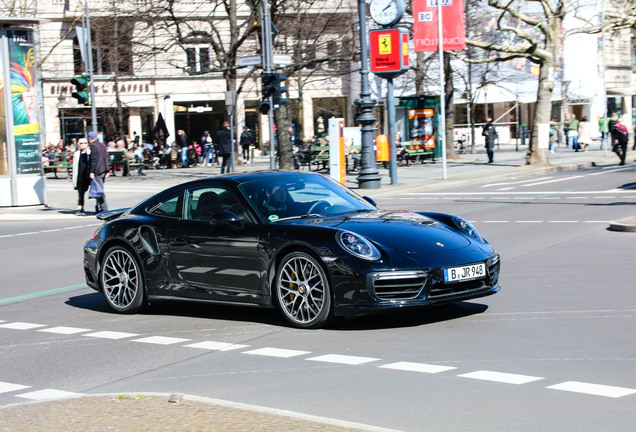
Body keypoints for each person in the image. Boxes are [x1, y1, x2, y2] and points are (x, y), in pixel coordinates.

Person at [88, 131, 110, 213]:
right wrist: (108, 170)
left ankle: (104, 208)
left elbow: (93, 159)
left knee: (99, 190)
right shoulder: (102, 145)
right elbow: (106, 157)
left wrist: (92, 171)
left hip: (97, 170)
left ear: (90, 139)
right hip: (103, 169)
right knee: (99, 189)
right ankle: (99, 207)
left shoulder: (94, 146)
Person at [72, 138, 91, 216]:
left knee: (95, 191)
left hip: (89, 174)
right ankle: (80, 207)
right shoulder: (76, 154)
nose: (83, 145)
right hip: (80, 174)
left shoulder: (90, 152)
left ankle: (99, 206)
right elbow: (75, 166)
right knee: (80, 191)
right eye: (81, 143)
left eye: (84, 143)